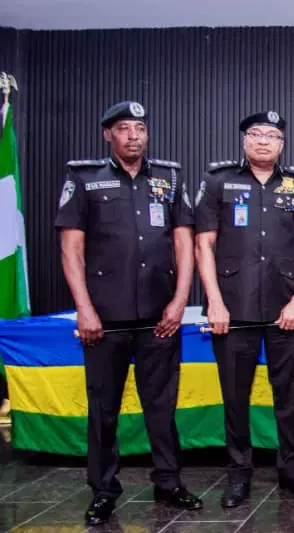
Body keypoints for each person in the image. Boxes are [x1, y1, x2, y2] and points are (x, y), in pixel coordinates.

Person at [56, 101, 202, 526]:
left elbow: (184, 243)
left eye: (139, 128)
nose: (133, 135)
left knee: (162, 406)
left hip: (160, 317)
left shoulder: (169, 178)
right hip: (104, 319)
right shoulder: (84, 178)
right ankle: (103, 491)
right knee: (104, 409)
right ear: (108, 135)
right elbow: (71, 249)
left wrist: (180, 300)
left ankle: (169, 482)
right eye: (124, 128)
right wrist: (84, 308)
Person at [194, 110, 294, 508]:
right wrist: (214, 301)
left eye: (272, 136)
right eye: (256, 134)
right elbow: (203, 245)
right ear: (244, 140)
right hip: (233, 308)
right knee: (235, 397)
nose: (264, 141)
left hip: (287, 308)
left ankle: (291, 472)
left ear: (283, 144)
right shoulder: (218, 181)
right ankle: (238, 475)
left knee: (290, 396)